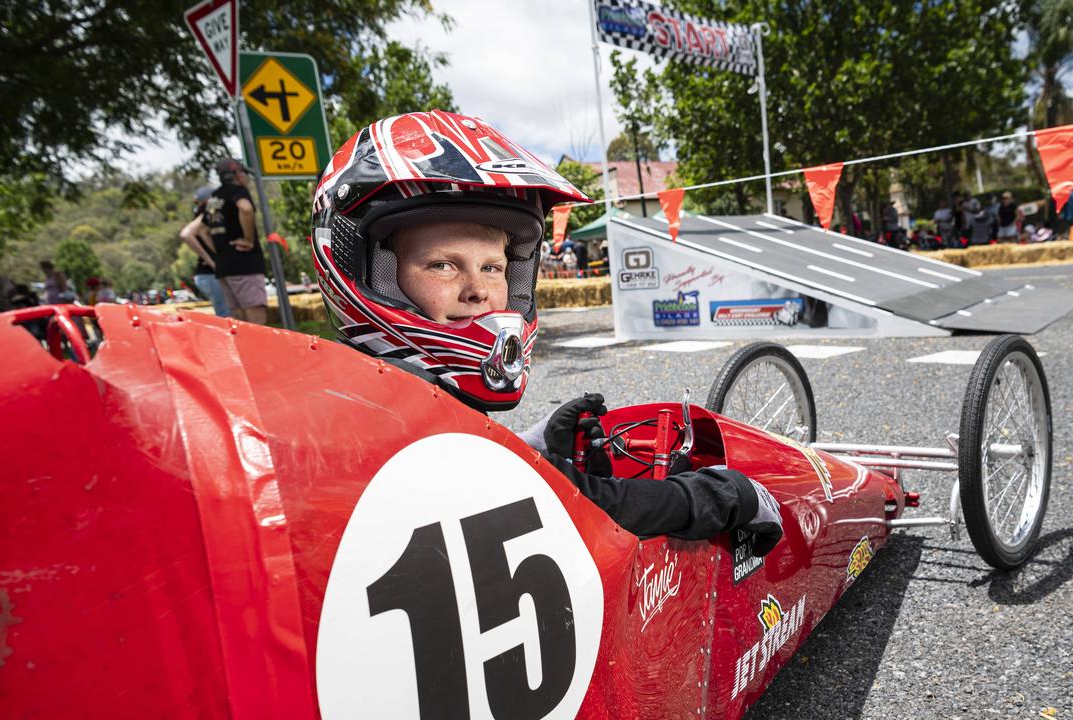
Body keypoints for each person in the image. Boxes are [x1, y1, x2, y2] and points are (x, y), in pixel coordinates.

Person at [309, 110, 782, 555]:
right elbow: (578, 507)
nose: (478, 291)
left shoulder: (368, 394)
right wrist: (717, 495)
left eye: (494, 267)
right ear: (370, 271)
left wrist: (529, 447)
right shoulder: (367, 424)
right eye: (443, 265)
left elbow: (468, 464)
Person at [194, 158, 268, 323]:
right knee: (255, 316)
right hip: (244, 263)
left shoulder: (213, 197)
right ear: (237, 174)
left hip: (224, 266)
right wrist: (248, 240)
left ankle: (243, 349)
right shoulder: (238, 191)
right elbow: (246, 208)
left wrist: (220, 251)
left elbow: (202, 229)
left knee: (237, 318)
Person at [179, 186, 231, 317]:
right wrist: (214, 261)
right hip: (210, 275)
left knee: (227, 313)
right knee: (227, 315)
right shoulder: (206, 215)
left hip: (207, 275)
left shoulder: (202, 216)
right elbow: (186, 234)